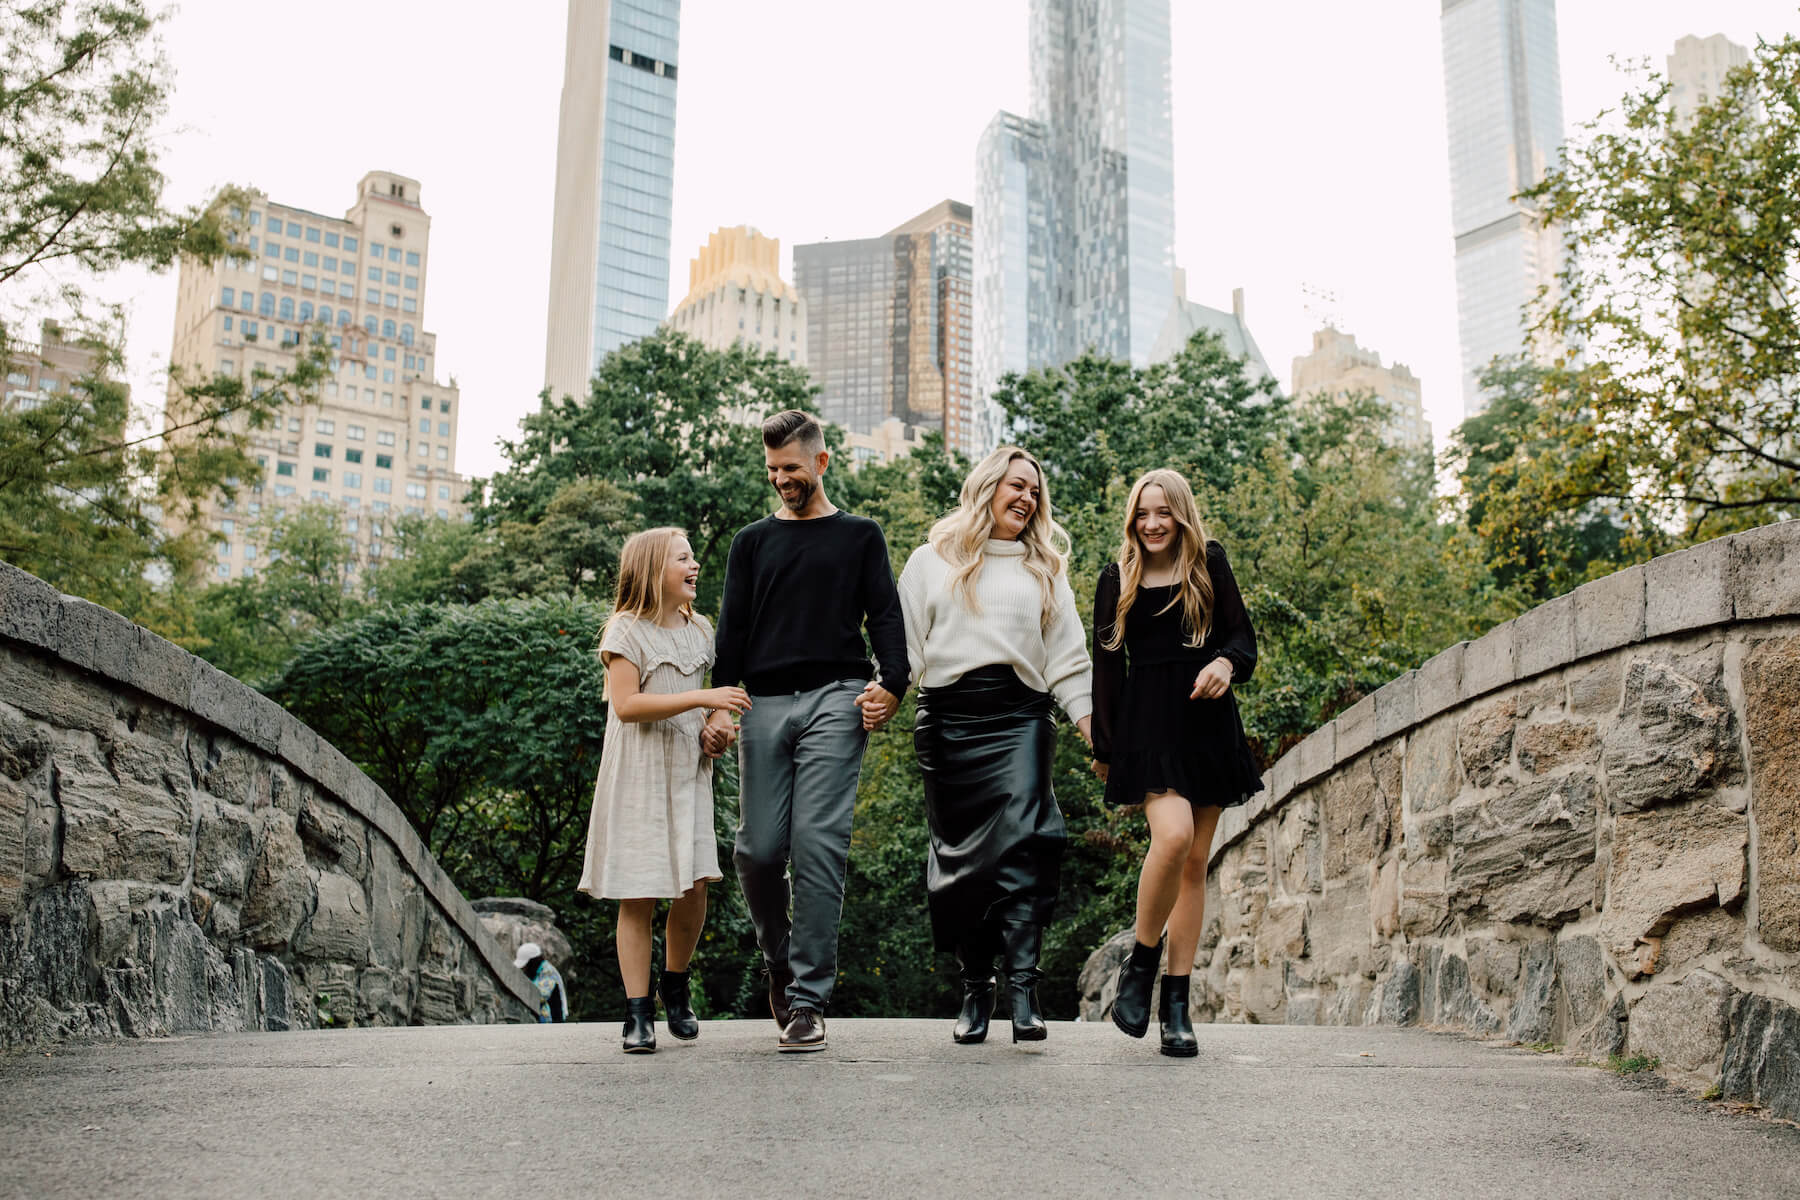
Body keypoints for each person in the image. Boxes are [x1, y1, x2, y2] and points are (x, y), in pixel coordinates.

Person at [708, 410, 909, 1053]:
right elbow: (731, 629)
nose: (781, 480)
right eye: (772, 470)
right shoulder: (751, 542)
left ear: (821, 463)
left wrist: (893, 684)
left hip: (837, 699)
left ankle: (807, 1001)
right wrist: (719, 702)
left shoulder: (860, 536)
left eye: (791, 469)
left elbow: (884, 615)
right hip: (761, 701)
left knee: (818, 846)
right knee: (758, 851)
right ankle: (778, 956)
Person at [898, 446, 1093, 1045]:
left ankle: (1024, 991)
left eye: (1034, 491)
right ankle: (976, 990)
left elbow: (1067, 660)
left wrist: (1099, 736)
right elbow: (903, 651)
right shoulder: (929, 561)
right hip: (949, 721)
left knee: (1029, 846)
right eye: (1016, 486)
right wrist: (879, 701)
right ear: (987, 489)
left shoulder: (1047, 569)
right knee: (963, 865)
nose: (1027, 499)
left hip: (1022, 718)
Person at [1091, 469, 1262, 1057]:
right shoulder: (1116, 578)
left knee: (1194, 865)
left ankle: (1177, 1006)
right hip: (1148, 729)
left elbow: (1243, 640)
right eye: (1143, 513)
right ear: (1132, 519)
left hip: (1208, 728)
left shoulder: (1209, 563)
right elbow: (1107, 671)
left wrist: (1225, 665)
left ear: (1181, 514)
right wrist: (1105, 750)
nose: (1152, 523)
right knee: (1173, 838)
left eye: (1163, 512)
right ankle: (1140, 963)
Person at [577, 526, 749, 1054]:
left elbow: (717, 703)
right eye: (683, 558)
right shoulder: (624, 631)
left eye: (694, 557)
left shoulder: (701, 630)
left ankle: (676, 984)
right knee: (640, 893)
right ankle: (637, 1012)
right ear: (654, 570)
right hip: (639, 776)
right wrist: (705, 696)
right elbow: (627, 707)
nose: (694, 565)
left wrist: (719, 723)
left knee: (696, 885)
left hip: (687, 771)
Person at [515, 942, 569, 1025]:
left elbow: (539, 996)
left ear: (532, 962)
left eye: (525, 965)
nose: (524, 969)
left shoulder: (548, 972)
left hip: (553, 1021)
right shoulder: (536, 972)